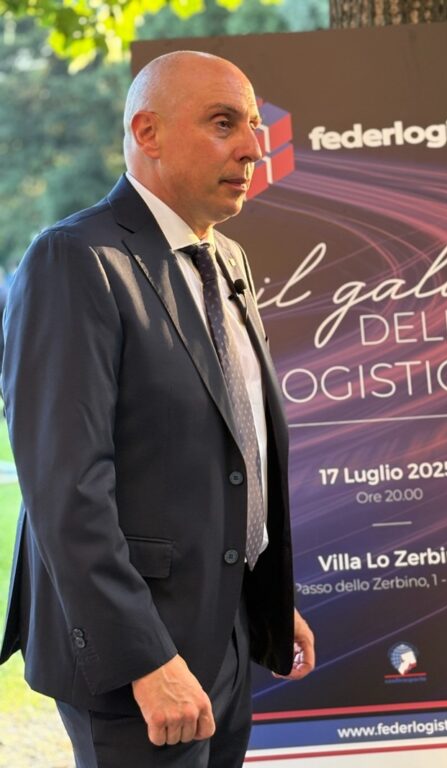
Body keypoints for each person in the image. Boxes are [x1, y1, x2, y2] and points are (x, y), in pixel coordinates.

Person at [0, 50, 315, 767]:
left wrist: (262, 599)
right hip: (136, 664)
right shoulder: (74, 259)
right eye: (224, 123)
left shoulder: (227, 261)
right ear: (148, 133)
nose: (254, 145)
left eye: (253, 124)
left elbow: (228, 448)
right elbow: (65, 490)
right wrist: (144, 658)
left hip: (225, 631)